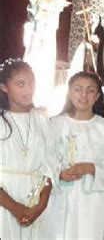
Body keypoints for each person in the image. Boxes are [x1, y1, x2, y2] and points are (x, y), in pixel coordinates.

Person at [38, 71, 104, 240]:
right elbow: (44, 160)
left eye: (90, 90)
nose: (83, 95)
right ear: (69, 92)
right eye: (78, 89)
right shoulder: (55, 124)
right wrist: (59, 174)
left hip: (91, 201)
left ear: (97, 96)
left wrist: (90, 168)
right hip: (60, 197)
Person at [0, 59, 53, 239]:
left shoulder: (42, 120)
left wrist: (42, 203)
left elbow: (50, 165)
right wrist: (15, 208)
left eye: (31, 83)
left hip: (35, 200)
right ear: (4, 87)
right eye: (20, 84)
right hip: (5, 200)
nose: (28, 89)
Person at [23, 0, 70, 109]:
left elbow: (54, 18)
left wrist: (48, 11)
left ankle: (43, 98)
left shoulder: (57, 0)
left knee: (46, 64)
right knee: (33, 61)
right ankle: (28, 94)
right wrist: (34, 7)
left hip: (48, 34)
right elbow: (31, 16)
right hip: (36, 34)